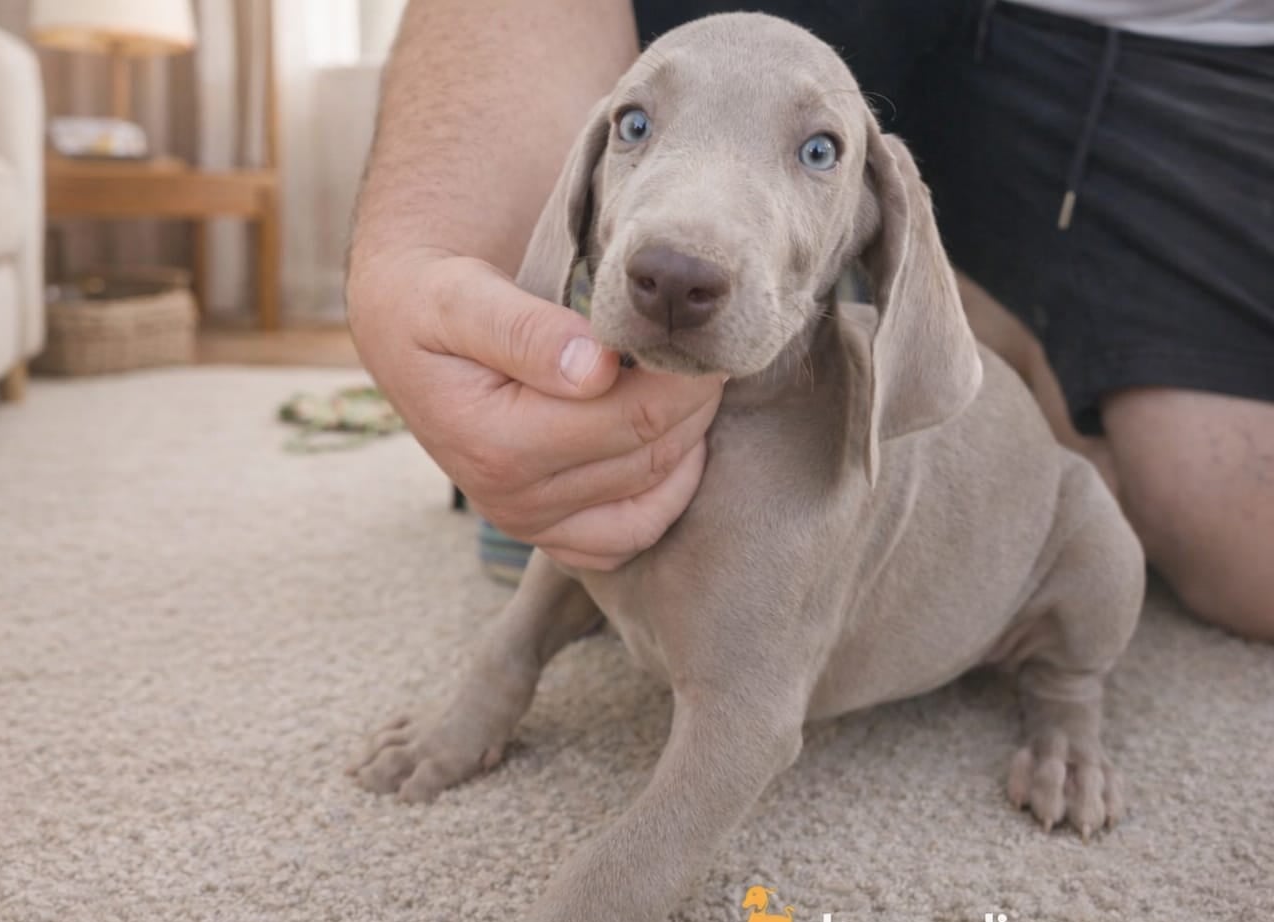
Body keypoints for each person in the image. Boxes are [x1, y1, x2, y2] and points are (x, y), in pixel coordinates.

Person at [345, 0, 1274, 641]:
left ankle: (984, 347)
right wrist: (425, 258)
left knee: (1239, 547)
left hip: (1199, 51)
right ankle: (569, 407)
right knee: (580, 443)